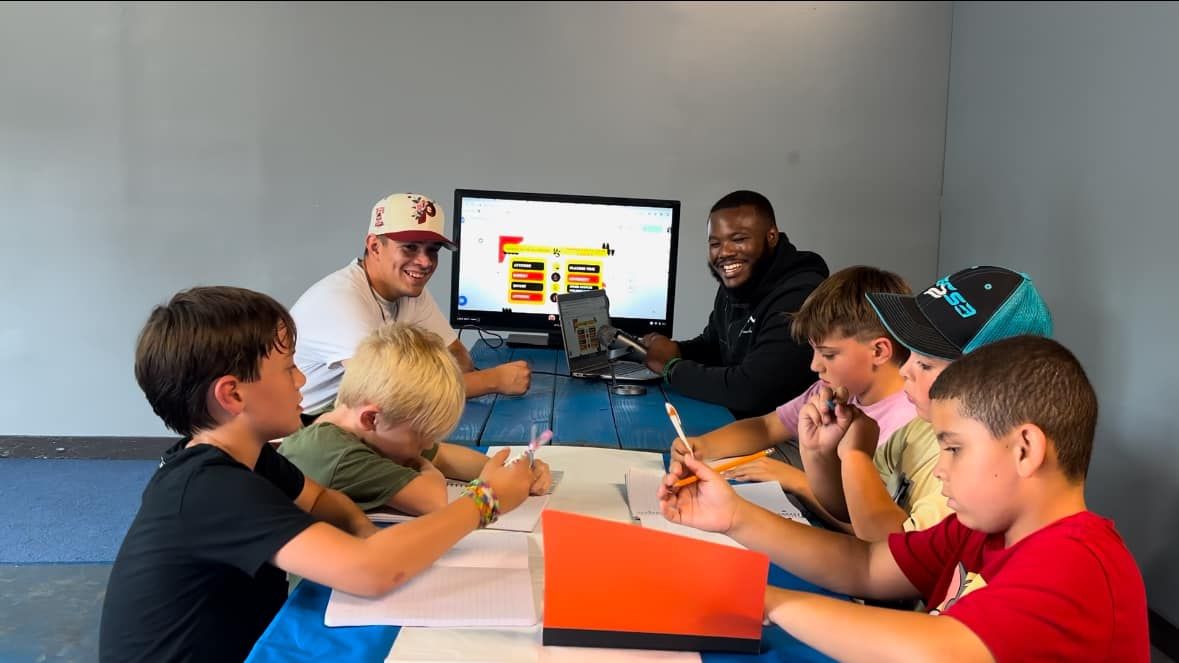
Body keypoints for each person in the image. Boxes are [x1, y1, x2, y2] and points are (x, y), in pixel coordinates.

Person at [99, 286, 535, 663]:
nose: (302, 378)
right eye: (288, 368)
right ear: (232, 394)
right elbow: (370, 573)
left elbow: (325, 501)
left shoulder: (247, 458)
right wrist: (486, 500)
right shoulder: (211, 489)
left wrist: (362, 529)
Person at [659, 336, 1149, 662]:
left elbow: (942, 651)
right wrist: (734, 516)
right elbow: (867, 565)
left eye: (954, 448)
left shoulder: (1079, 564)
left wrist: (771, 601)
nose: (940, 467)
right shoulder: (981, 529)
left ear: (1025, 449)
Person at [798, 266, 1054, 541]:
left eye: (925, 363)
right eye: (909, 354)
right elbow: (849, 511)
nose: (904, 370)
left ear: (992, 384)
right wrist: (820, 453)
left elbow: (897, 555)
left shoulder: (982, 468)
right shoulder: (919, 429)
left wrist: (855, 456)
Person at [669, 266, 916, 526]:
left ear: (879, 351)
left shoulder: (908, 426)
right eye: (813, 351)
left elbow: (876, 531)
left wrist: (796, 481)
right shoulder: (832, 392)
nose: (814, 365)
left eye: (828, 355)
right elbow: (767, 426)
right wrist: (702, 446)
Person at [291, 192, 531, 420]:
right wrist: (493, 380)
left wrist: (420, 382)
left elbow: (457, 356)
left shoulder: (409, 291)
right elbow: (391, 394)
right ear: (375, 246)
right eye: (410, 247)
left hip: (357, 420)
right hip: (297, 436)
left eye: (432, 250)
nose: (425, 262)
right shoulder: (341, 299)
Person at [279, 322, 552, 515]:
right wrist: (490, 489)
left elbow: (443, 455)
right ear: (372, 419)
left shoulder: (357, 417)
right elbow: (432, 500)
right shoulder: (337, 457)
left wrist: (514, 472)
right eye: (420, 438)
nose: (425, 448)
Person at [642, 190, 829, 419]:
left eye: (738, 239)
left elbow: (752, 390)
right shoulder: (740, 283)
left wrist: (671, 367)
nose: (725, 253)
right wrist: (673, 350)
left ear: (771, 236)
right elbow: (715, 347)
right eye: (715, 243)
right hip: (747, 425)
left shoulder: (801, 294)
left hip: (793, 438)